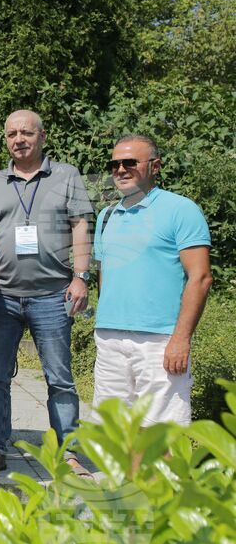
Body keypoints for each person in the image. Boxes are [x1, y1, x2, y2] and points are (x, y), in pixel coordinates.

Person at [0, 110, 92, 476]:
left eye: (26, 132)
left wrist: (82, 276)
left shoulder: (66, 175)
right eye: (12, 134)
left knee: (59, 378)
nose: (19, 139)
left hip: (53, 295)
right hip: (2, 297)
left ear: (42, 136)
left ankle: (67, 453)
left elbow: (81, 224)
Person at [92, 134, 212, 426]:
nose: (120, 170)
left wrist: (181, 339)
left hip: (159, 340)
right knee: (114, 433)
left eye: (130, 162)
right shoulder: (106, 216)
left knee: (162, 432)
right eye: (114, 164)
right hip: (109, 338)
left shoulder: (180, 210)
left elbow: (201, 277)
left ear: (155, 166)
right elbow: (103, 276)